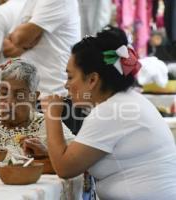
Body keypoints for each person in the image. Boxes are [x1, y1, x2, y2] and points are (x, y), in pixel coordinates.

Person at [41, 27, 176, 199]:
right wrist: (48, 152)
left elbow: (65, 168)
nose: (66, 86)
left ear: (92, 80)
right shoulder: (124, 101)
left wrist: (52, 114)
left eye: (70, 77)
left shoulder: (111, 111)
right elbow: (79, 158)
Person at [5, 0, 83, 134]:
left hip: (55, 97)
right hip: (33, 97)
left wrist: (23, 39)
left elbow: (19, 37)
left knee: (54, 153)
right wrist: (28, 38)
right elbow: (6, 47)